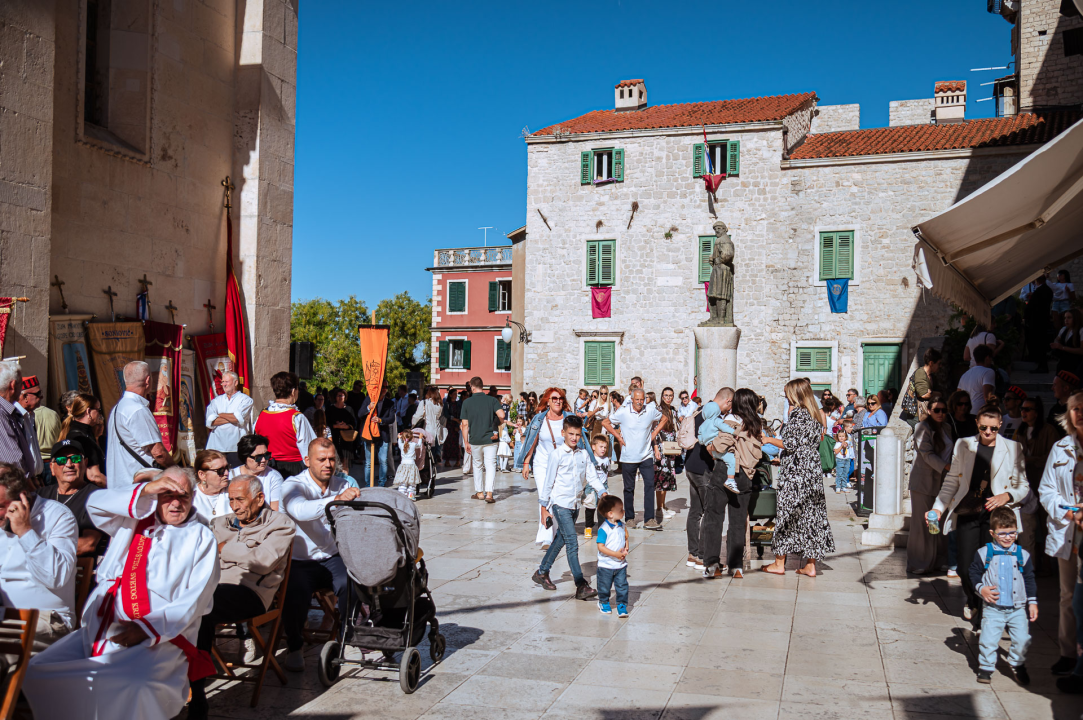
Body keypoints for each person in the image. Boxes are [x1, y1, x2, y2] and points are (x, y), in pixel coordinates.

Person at [23, 467, 219, 720]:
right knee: (37, 671)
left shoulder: (201, 537)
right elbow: (95, 503)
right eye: (166, 494)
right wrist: (146, 489)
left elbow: (197, 598)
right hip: (101, 625)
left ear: (193, 496)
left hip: (158, 635)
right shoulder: (135, 518)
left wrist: (147, 629)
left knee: (136, 686)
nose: (175, 502)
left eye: (183, 495)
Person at [188, 476, 295, 720]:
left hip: (251, 593)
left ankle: (196, 695)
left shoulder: (280, 524)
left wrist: (224, 548)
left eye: (240, 499)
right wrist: (240, 550)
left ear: (259, 498)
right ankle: (175, 680)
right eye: (231, 499)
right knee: (175, 606)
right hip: (212, 586)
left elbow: (263, 561)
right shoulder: (219, 523)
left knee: (200, 610)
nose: (234, 506)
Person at [930, 404, 1028, 623]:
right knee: (965, 566)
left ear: (1000, 424)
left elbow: (1023, 486)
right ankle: (973, 599)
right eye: (984, 427)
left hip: (998, 516)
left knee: (992, 566)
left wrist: (1007, 496)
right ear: (977, 423)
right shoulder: (963, 445)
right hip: (968, 510)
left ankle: (986, 616)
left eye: (993, 428)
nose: (988, 432)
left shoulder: (1014, 448)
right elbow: (952, 481)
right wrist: (938, 507)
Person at [280, 438, 359, 671]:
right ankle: (295, 647)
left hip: (333, 556)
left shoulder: (342, 484)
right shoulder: (293, 485)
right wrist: (335, 500)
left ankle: (347, 635)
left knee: (352, 583)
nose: (328, 464)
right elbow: (300, 510)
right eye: (322, 459)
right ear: (307, 461)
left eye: (332, 459)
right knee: (294, 593)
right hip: (300, 560)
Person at [763, 378, 835, 577]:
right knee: (811, 514)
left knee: (787, 513)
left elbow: (791, 443)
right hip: (811, 471)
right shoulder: (815, 414)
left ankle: (779, 563)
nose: (785, 396)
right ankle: (811, 565)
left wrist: (768, 439)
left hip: (796, 475)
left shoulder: (797, 413)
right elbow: (805, 445)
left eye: (787, 393)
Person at [0, 461, 78, 642]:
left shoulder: (58, 516)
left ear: (23, 497)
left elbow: (56, 578)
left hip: (47, 619)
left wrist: (26, 532)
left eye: (0, 506)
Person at [531, 415, 605, 599]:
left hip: (574, 504)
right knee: (572, 542)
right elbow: (548, 482)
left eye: (578, 435)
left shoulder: (584, 454)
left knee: (561, 540)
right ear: (563, 433)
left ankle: (542, 572)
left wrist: (603, 492)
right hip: (560, 504)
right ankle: (581, 585)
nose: (574, 438)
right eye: (571, 434)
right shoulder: (556, 455)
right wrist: (543, 507)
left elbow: (592, 476)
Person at [1037, 389, 1083, 676]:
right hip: (1069, 531)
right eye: (1075, 408)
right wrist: (1068, 512)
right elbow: (1046, 490)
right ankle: (1067, 652)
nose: (1080, 413)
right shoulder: (1061, 447)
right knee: (1067, 595)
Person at [969, 506, 1037, 686]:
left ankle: (1017, 663)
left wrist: (1032, 601)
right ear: (992, 533)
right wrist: (981, 588)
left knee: (1022, 638)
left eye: (1012, 533)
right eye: (1002, 533)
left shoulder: (1023, 555)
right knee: (988, 639)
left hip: (1017, 608)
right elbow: (973, 573)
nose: (1008, 537)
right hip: (993, 608)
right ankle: (986, 667)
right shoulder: (985, 553)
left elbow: (1029, 578)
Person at [702, 388, 763, 579]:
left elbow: (721, 444)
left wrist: (711, 447)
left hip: (724, 473)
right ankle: (736, 567)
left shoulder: (732, 420)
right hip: (746, 475)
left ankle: (713, 564)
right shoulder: (755, 424)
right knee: (738, 522)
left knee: (714, 518)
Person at [602, 389, 663, 530]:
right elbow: (605, 422)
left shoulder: (650, 410)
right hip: (628, 456)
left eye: (642, 399)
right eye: (637, 399)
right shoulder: (623, 412)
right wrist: (618, 437)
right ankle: (629, 518)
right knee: (629, 488)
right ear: (632, 399)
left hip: (646, 455)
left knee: (649, 486)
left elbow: (664, 418)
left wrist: (654, 433)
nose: (640, 402)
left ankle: (649, 519)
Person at [106, 361, 173, 487]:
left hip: (121, 484)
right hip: (138, 486)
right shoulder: (137, 409)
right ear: (148, 381)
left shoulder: (117, 408)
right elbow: (158, 453)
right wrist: (177, 470)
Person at [907, 395, 952, 575]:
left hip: (943, 482)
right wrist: (947, 467)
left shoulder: (948, 427)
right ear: (928, 411)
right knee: (921, 524)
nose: (940, 413)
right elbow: (926, 453)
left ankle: (937, 560)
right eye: (936, 410)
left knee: (937, 522)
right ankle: (919, 561)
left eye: (943, 410)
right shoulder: (921, 427)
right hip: (923, 482)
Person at [38, 439, 106, 557]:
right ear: (52, 468)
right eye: (61, 460)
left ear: (85, 463)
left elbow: (88, 544)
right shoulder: (40, 496)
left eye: (75, 459)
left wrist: (38, 551)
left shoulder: (97, 497)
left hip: (75, 568)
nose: (69, 464)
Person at [253, 371, 317, 479]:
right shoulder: (297, 417)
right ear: (293, 391)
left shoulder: (261, 415)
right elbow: (309, 448)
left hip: (267, 468)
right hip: (293, 470)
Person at [683, 392, 717, 572]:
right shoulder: (714, 416)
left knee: (695, 511)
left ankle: (692, 553)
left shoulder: (697, 412)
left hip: (690, 466)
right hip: (704, 468)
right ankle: (702, 556)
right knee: (708, 510)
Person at [460, 376, 505, 503]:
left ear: (472, 387)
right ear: (482, 386)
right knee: (490, 465)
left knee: (477, 465)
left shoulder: (467, 402)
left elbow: (465, 425)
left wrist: (466, 441)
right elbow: (501, 415)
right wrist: (498, 422)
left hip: (475, 439)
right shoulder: (492, 400)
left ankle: (479, 492)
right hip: (491, 439)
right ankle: (489, 493)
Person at [204, 370, 253, 467]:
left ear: (235, 382)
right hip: (216, 446)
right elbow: (210, 421)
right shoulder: (216, 401)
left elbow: (238, 419)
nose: (224, 384)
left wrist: (220, 414)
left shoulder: (245, 400)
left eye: (226, 382)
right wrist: (232, 417)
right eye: (222, 382)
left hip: (235, 446)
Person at [58, 393, 107, 486]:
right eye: (98, 410)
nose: (100, 414)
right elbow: (94, 476)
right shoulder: (82, 438)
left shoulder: (82, 434)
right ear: (88, 412)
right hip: (91, 493)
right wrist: (118, 488)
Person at [229, 433, 285, 510]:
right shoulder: (230, 476)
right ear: (245, 457)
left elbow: (275, 511)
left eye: (266, 455)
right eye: (258, 457)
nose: (264, 460)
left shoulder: (274, 477)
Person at [594, 494, 629, 617]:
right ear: (610, 514)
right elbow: (601, 547)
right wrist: (615, 554)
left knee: (622, 586)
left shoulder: (622, 525)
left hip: (620, 565)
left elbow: (626, 536)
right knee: (604, 586)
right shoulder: (604, 529)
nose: (623, 512)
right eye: (620, 510)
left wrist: (626, 547)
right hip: (606, 565)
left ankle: (622, 604)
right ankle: (603, 602)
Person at [0, 361, 34, 476]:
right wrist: (27, 484)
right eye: (21, 385)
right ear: (13, 385)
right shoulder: (1, 413)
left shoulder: (8, 411)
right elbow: (12, 460)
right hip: (15, 487)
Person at [651, 387, 679, 520]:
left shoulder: (672, 410)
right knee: (660, 478)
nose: (668, 398)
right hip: (661, 448)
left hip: (670, 448)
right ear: (662, 396)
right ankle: (659, 508)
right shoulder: (658, 410)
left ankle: (663, 505)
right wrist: (655, 448)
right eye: (666, 395)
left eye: (670, 395)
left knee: (667, 478)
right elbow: (654, 430)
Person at [14, 374, 45, 479]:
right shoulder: (15, 416)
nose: (41, 397)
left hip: (36, 479)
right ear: (25, 397)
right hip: (24, 481)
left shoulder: (30, 415)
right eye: (38, 393)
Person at [1024, 273, 1054, 373]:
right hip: (1043, 320)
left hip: (1037, 321)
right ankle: (1041, 364)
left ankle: (1042, 365)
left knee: (1039, 344)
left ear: (1037, 281)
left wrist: (1026, 316)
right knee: (1041, 344)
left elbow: (1032, 306)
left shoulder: (1039, 291)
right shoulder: (1048, 290)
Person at [192, 450, 231, 524]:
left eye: (227, 468)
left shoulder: (234, 489)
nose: (226, 473)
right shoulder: (192, 497)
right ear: (202, 475)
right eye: (220, 470)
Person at [582, 435, 611, 533]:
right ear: (593, 447)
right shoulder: (590, 459)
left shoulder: (606, 459)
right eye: (601, 447)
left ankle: (601, 528)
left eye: (605, 447)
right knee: (590, 508)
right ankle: (588, 527)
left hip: (603, 486)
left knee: (602, 508)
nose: (603, 449)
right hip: (591, 487)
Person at [325, 388, 357, 472]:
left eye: (343, 395)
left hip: (346, 441)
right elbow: (326, 423)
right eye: (339, 395)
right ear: (335, 397)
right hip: (334, 439)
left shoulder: (349, 409)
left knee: (345, 464)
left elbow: (354, 423)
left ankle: (345, 482)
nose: (341, 397)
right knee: (333, 463)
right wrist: (335, 426)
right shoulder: (330, 409)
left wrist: (346, 426)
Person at [958, 345, 997, 414]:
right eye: (991, 358)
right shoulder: (988, 372)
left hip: (966, 412)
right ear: (987, 358)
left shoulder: (965, 374)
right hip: (980, 413)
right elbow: (987, 397)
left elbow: (957, 395)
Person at [393, 429, 422, 500]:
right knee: (412, 482)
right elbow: (419, 445)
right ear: (412, 438)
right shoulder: (414, 445)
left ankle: (402, 494)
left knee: (403, 481)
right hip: (411, 465)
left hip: (403, 465)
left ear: (403, 438)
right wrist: (420, 438)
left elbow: (399, 441)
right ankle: (411, 495)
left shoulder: (401, 445)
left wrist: (399, 437)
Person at [441, 388, 462, 468]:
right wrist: (455, 419)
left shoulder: (458, 404)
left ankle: (457, 460)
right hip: (449, 425)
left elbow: (460, 414)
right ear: (450, 395)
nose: (455, 395)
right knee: (448, 443)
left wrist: (458, 424)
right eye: (454, 394)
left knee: (457, 443)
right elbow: (446, 414)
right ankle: (447, 460)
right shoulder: (447, 404)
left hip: (456, 425)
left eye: (456, 394)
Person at [833, 422, 855, 494]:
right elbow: (836, 451)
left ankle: (844, 486)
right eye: (840, 436)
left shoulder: (848, 442)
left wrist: (852, 456)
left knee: (845, 473)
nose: (841, 438)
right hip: (840, 460)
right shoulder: (837, 444)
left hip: (847, 459)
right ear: (837, 437)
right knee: (839, 474)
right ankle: (838, 487)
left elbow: (849, 447)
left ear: (846, 437)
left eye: (843, 436)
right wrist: (841, 446)